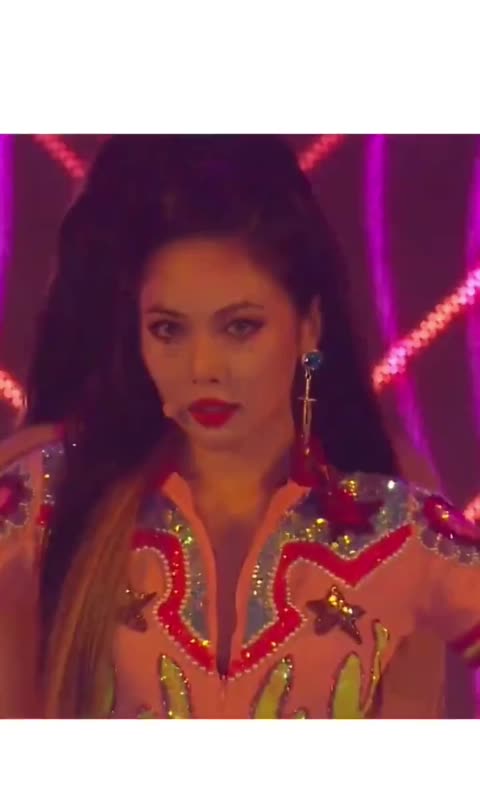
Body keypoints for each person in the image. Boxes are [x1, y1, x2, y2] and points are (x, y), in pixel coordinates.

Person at [0, 134, 479, 719]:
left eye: (240, 327)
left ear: (308, 326)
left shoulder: (399, 518)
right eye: (169, 329)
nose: (204, 367)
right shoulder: (44, 495)